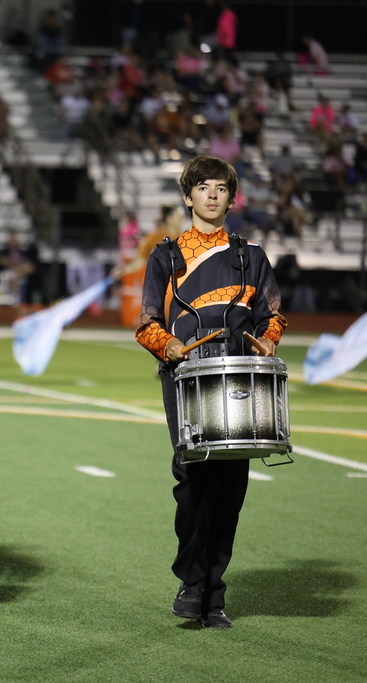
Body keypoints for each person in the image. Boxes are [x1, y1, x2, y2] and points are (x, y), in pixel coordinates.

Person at [135, 155, 286, 629]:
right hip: (187, 376)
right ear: (188, 196)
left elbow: (272, 315)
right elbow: (146, 324)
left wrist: (267, 342)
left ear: (231, 197)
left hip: (239, 376)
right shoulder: (166, 255)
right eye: (203, 187)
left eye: (221, 187)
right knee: (193, 481)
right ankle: (192, 582)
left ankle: (214, 594)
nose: (212, 195)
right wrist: (170, 344)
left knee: (231, 488)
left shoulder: (251, 255)